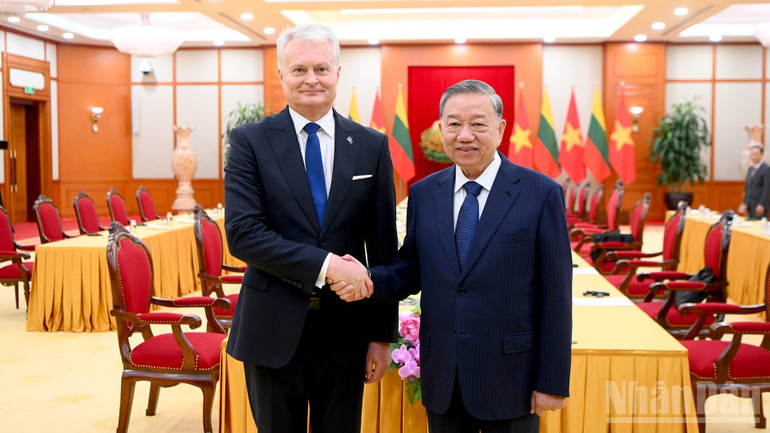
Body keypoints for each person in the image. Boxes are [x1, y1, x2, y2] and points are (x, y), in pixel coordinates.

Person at [334, 80, 572, 432]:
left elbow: (556, 295)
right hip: (444, 376)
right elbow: (410, 269)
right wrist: (367, 278)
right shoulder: (424, 193)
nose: (465, 135)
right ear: (441, 129)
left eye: (478, 124)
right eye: (454, 124)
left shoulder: (540, 193)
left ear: (500, 129)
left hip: (511, 379)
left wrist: (551, 381)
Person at [223, 23, 398, 433]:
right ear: (281, 74)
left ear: (337, 72)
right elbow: (244, 234)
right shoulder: (250, 141)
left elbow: (384, 248)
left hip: (347, 332)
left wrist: (381, 335)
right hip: (271, 328)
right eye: (299, 69)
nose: (311, 79)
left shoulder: (371, 145)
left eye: (321, 68)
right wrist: (327, 265)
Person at [738, 143, 770, 219]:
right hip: (750, 205)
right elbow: (747, 187)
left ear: (762, 155)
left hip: (760, 205)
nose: (753, 157)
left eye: (756, 154)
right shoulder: (750, 169)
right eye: (752, 154)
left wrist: (762, 204)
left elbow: (767, 189)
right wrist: (745, 203)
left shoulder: (766, 169)